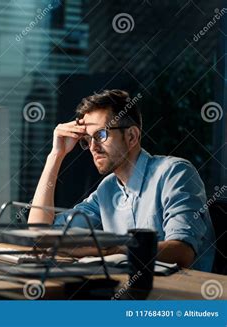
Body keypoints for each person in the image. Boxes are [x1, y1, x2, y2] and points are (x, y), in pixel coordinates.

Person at [28, 89, 215, 272]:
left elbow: (182, 251)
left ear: (131, 136)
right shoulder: (107, 189)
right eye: (87, 139)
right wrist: (56, 155)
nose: (93, 147)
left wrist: (111, 251)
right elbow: (41, 236)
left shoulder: (175, 173)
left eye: (101, 135)